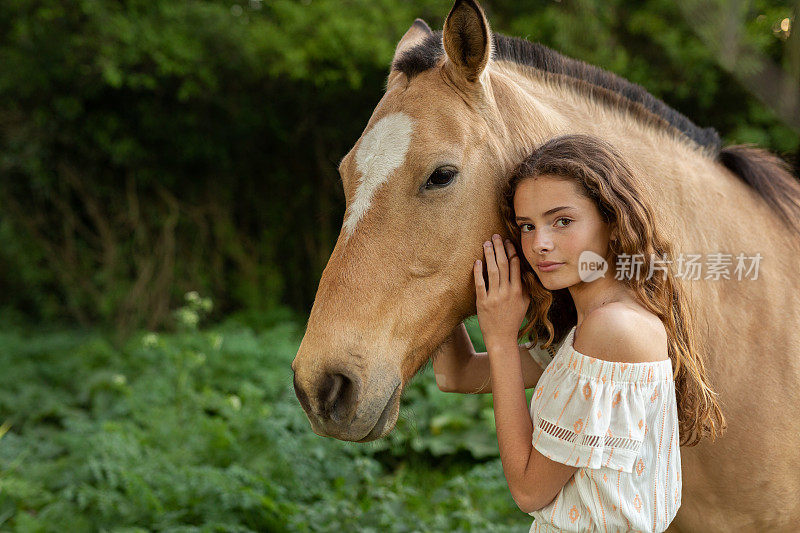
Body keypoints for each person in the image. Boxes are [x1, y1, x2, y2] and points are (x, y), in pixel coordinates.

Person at [432, 134, 726, 532]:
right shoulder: (581, 329)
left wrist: (500, 338)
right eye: (527, 226)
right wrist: (427, 272)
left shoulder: (614, 330)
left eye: (562, 221)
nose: (541, 244)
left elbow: (529, 492)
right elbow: (458, 373)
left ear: (612, 219)